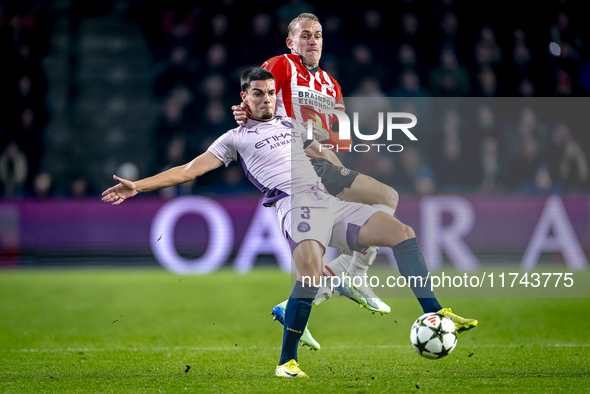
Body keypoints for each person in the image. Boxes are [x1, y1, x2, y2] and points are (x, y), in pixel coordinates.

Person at [103, 68, 478, 378]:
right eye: (258, 94)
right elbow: (189, 170)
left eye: (269, 93)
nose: (266, 99)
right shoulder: (235, 138)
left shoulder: (289, 125)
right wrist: (138, 185)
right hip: (295, 206)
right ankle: (287, 361)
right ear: (243, 100)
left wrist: (335, 164)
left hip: (326, 200)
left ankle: (434, 311)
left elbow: (322, 151)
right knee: (311, 275)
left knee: (401, 232)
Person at [231, 13, 476, 351]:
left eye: (317, 34)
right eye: (304, 35)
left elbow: (336, 137)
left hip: (322, 161)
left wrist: (337, 154)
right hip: (296, 163)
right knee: (385, 197)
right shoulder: (284, 65)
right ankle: (350, 277)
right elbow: (257, 90)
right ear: (291, 43)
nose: (312, 40)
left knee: (383, 202)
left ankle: (327, 289)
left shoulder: (331, 85)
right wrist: (244, 111)